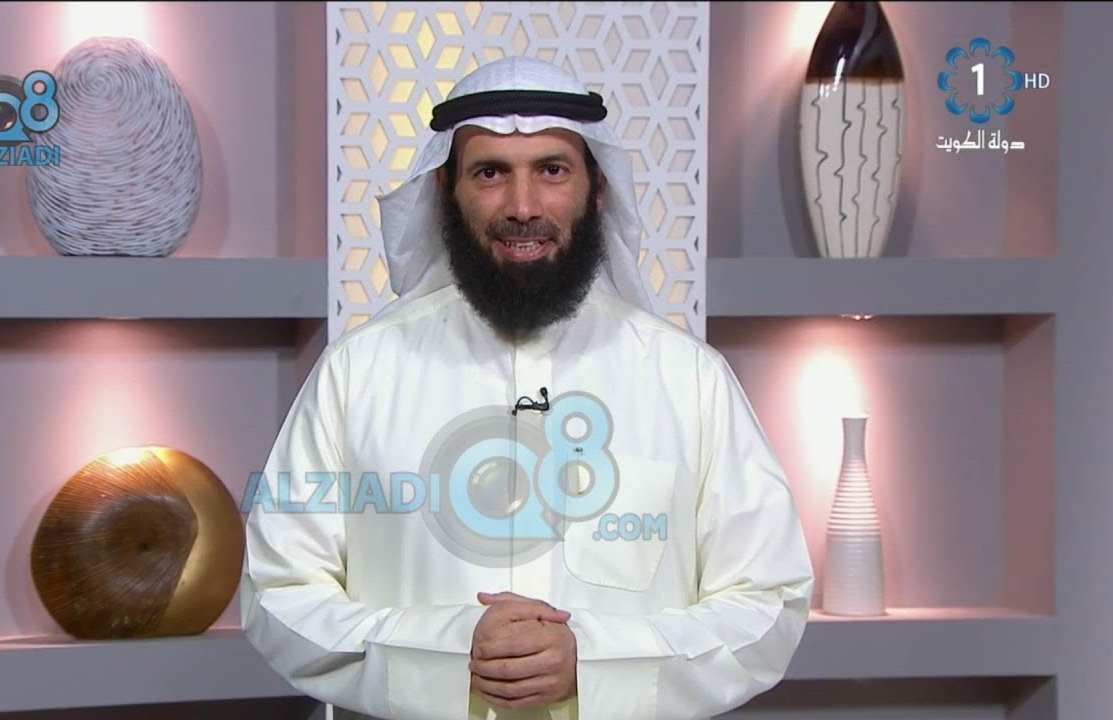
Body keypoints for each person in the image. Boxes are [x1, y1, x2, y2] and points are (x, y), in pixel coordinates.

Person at [240, 55, 814, 720]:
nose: (522, 207)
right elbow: (279, 592)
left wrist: (594, 661)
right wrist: (448, 651)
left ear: (596, 189)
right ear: (446, 190)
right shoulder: (357, 374)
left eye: (552, 170)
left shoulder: (688, 380)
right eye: (490, 173)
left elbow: (767, 601)